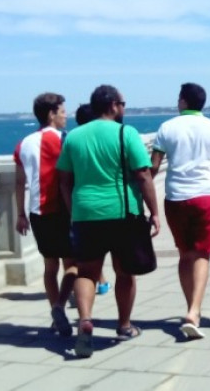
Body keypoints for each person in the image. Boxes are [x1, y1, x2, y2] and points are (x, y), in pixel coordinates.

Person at [57, 84, 161, 358]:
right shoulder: (126, 133)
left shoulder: (74, 137)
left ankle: (86, 319)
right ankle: (124, 325)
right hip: (122, 213)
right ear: (113, 105)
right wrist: (155, 212)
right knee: (125, 271)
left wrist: (73, 209)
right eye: (123, 103)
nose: (125, 108)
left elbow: (64, 180)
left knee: (87, 271)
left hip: (85, 214)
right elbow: (143, 175)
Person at [150, 82, 210, 340]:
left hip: (175, 198)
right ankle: (194, 310)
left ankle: (191, 308)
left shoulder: (167, 128)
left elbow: (152, 167)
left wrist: (144, 197)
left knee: (184, 254)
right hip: (205, 198)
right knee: (202, 255)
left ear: (184, 101)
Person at [13, 92, 76, 337]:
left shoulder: (23, 144)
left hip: (37, 212)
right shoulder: (64, 140)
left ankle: (54, 312)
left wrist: (20, 214)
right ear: (51, 114)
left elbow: (20, 183)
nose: (65, 116)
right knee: (73, 265)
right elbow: (69, 177)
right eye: (62, 112)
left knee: (50, 266)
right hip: (63, 209)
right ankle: (60, 305)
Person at [74, 103, 109, 297]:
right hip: (111, 205)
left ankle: (84, 315)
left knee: (85, 260)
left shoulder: (72, 140)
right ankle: (102, 281)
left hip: (80, 206)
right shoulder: (107, 137)